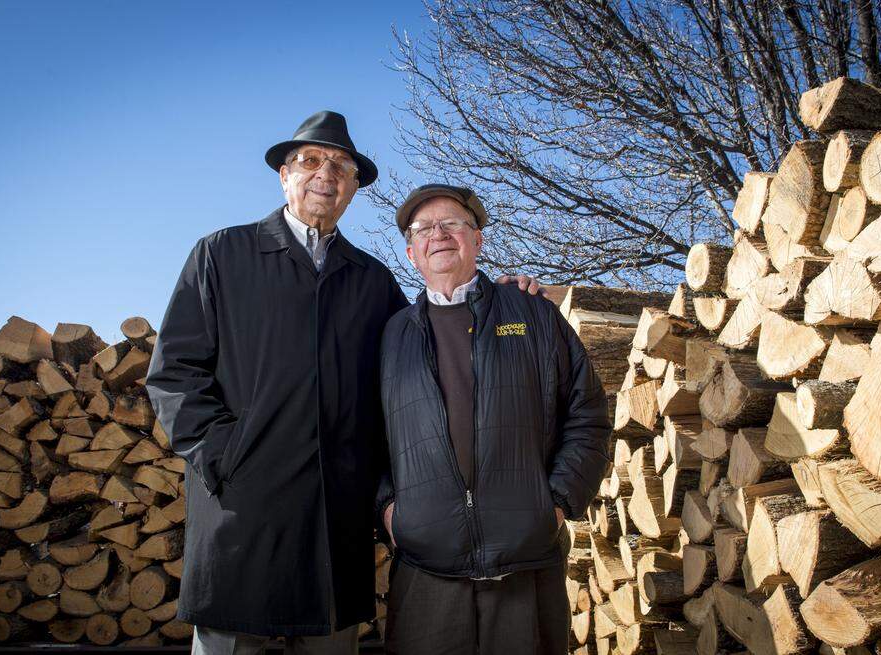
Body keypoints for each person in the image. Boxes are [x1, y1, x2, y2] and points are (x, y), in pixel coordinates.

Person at [145, 114, 540, 655]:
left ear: (354, 188)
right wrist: (222, 456)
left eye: (341, 167)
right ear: (284, 175)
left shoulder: (372, 280)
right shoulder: (221, 255)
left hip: (337, 514)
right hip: (242, 509)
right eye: (310, 161)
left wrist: (495, 298)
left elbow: (427, 349)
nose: (325, 174)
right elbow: (175, 372)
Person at [377, 184, 611, 655]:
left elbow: (588, 415)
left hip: (525, 566)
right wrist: (389, 511)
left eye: (452, 224)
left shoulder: (533, 313)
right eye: (423, 229)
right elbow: (366, 438)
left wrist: (555, 503)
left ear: (477, 239)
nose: (438, 235)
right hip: (425, 570)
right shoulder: (392, 335)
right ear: (411, 253)